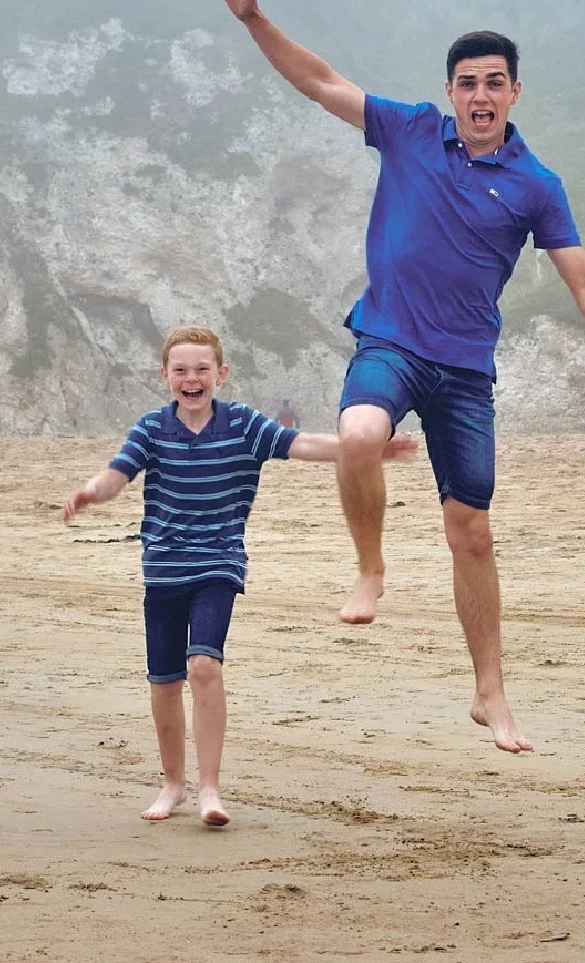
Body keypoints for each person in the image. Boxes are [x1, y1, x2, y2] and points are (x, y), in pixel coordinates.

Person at [201, 0, 585, 753]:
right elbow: (319, 81)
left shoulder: (536, 184)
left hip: (464, 368)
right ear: (450, 91)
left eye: (494, 82)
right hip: (390, 338)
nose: (480, 95)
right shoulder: (409, 131)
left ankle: (489, 691)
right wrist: (253, 19)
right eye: (467, 82)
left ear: (514, 93)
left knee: (471, 530)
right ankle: (370, 566)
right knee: (359, 435)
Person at [61, 326, 414, 825]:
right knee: (164, 683)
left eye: (202, 369)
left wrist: (365, 450)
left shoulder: (245, 426)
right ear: (165, 376)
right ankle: (173, 785)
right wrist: (88, 493)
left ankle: (209, 789)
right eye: (181, 370)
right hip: (162, 568)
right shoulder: (151, 429)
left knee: (204, 665)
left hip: (218, 563)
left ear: (220, 374)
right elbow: (116, 476)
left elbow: (303, 444)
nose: (192, 378)